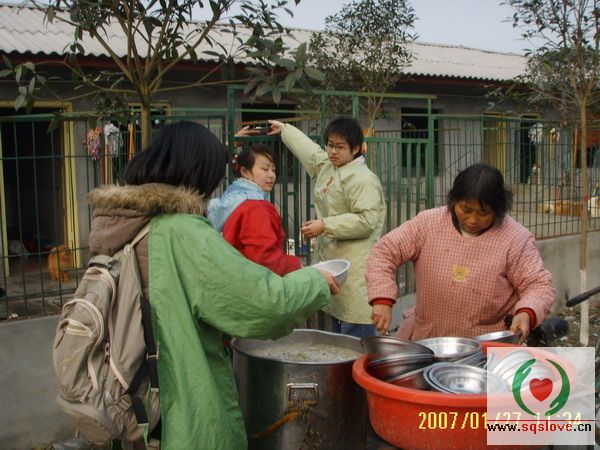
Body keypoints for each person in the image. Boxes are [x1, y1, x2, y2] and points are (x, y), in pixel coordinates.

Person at [87, 121, 339, 450]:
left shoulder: (125, 223)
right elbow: (263, 304)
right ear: (198, 171)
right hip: (184, 406)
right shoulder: (182, 232)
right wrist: (314, 280)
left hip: (134, 397)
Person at [366, 163, 555, 343]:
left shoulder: (516, 238)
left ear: (498, 210)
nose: (472, 220)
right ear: (453, 200)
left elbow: (538, 286)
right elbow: (384, 252)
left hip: (486, 346)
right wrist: (382, 298)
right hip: (427, 339)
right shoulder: (428, 223)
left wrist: (526, 313)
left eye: (483, 213)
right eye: (465, 209)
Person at [268, 117, 386, 338]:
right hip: (335, 261)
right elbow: (310, 151)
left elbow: (366, 221)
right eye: (330, 145)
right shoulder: (328, 166)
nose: (333, 151)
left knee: (356, 333)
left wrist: (325, 225)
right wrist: (286, 130)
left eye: (340, 147)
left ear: (356, 149)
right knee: (336, 336)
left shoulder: (363, 179)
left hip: (357, 266)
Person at [208, 130, 301, 275]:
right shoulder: (256, 207)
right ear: (245, 172)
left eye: (273, 170)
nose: (271, 175)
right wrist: (297, 266)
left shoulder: (233, 196)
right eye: (265, 169)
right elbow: (265, 259)